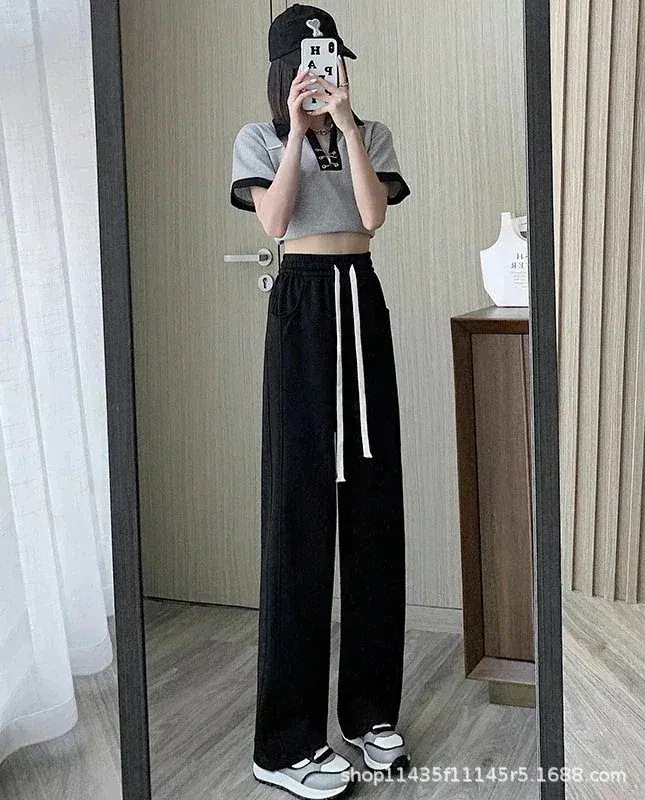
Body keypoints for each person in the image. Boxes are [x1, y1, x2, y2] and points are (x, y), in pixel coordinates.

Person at [229, 5, 411, 798]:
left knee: (373, 513)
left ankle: (370, 713)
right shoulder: (258, 139)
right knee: (297, 518)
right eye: (312, 61)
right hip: (301, 303)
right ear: (285, 68)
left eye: (333, 60)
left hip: (359, 299)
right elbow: (274, 220)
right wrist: (299, 134)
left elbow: (372, 216)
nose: (325, 72)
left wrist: (343, 125)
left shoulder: (372, 133)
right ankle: (283, 743)